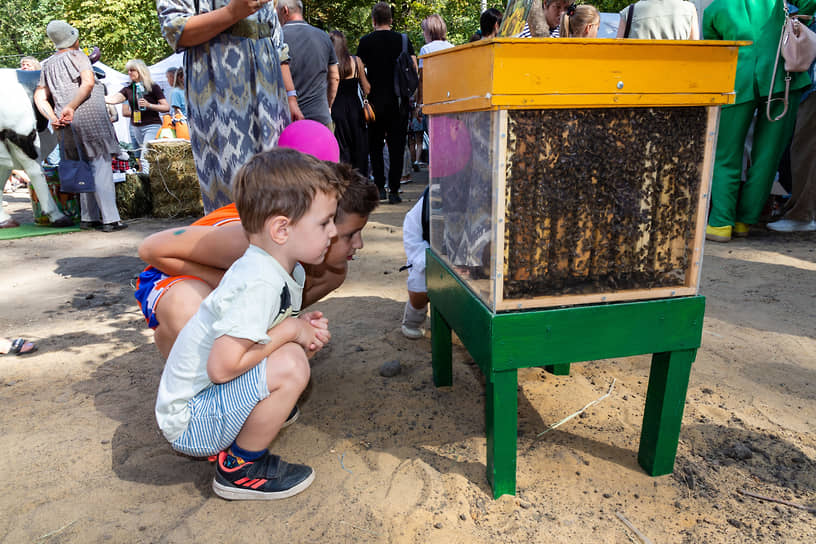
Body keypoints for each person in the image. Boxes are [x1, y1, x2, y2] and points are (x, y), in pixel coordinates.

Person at [155, 148, 342, 500]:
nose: (332, 232)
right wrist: (291, 330)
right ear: (281, 229)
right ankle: (240, 468)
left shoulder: (279, 268)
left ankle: (250, 426)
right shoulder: (259, 281)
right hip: (191, 422)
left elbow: (260, 332)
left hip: (202, 404)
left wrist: (300, 326)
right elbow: (223, 367)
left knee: (293, 350)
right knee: (290, 364)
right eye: (324, 222)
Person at [136, 161, 379, 358]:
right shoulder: (249, 239)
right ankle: (183, 357)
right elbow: (152, 249)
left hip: (236, 285)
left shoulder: (331, 274)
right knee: (186, 306)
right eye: (349, 235)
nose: (359, 244)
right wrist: (235, 284)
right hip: (173, 276)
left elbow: (274, 310)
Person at [156, 0, 302, 213]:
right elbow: (175, 29)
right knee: (234, 194)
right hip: (220, 92)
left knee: (279, 188)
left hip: (271, 93)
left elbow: (278, 43)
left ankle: (276, 244)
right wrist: (232, 12)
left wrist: (291, 98)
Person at [703, 1, 816, 242]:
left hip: (735, 84)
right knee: (767, 157)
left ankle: (721, 222)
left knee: (725, 155)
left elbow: (714, 54)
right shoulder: (780, 4)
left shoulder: (715, 9)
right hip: (783, 81)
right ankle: (745, 219)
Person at [34, 20, 126, 232]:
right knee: (100, 167)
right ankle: (111, 219)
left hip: (65, 124)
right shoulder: (78, 56)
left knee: (81, 168)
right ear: (73, 38)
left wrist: (53, 116)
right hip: (90, 119)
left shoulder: (47, 65)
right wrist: (72, 106)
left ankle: (88, 217)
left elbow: (40, 95)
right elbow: (88, 82)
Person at [356, 2, 417, 204]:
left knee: (375, 145)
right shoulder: (403, 40)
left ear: (373, 20)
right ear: (391, 20)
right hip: (398, 101)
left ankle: (379, 187)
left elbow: (358, 65)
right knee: (397, 146)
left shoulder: (365, 42)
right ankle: (395, 190)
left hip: (374, 101)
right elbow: (414, 68)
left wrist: (366, 85)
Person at [277, 0, 340, 128]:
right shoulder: (324, 37)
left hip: (288, 120)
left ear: (285, 10)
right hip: (321, 118)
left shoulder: (279, 38)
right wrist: (328, 106)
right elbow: (335, 77)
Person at [105, 59, 170, 173]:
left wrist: (149, 105)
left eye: (132, 70)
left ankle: (147, 185)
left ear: (140, 71)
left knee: (145, 158)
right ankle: (147, 183)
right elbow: (114, 99)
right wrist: (97, 95)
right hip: (136, 127)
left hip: (152, 126)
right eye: (128, 71)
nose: (129, 73)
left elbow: (166, 107)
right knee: (141, 159)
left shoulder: (153, 87)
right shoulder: (129, 89)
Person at [329, 30, 371, 175]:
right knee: (359, 148)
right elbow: (367, 88)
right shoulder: (356, 60)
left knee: (342, 150)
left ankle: (344, 184)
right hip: (355, 110)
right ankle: (360, 184)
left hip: (336, 109)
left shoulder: (328, 63)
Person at [400, 187, 430, 338]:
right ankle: (414, 316)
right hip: (429, 254)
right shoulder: (430, 198)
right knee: (419, 284)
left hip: (469, 258)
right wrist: (425, 260)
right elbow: (411, 229)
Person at [616, 0, 700, 39]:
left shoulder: (629, 11)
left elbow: (618, 50)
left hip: (640, 71)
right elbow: (694, 49)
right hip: (678, 71)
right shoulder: (690, 10)